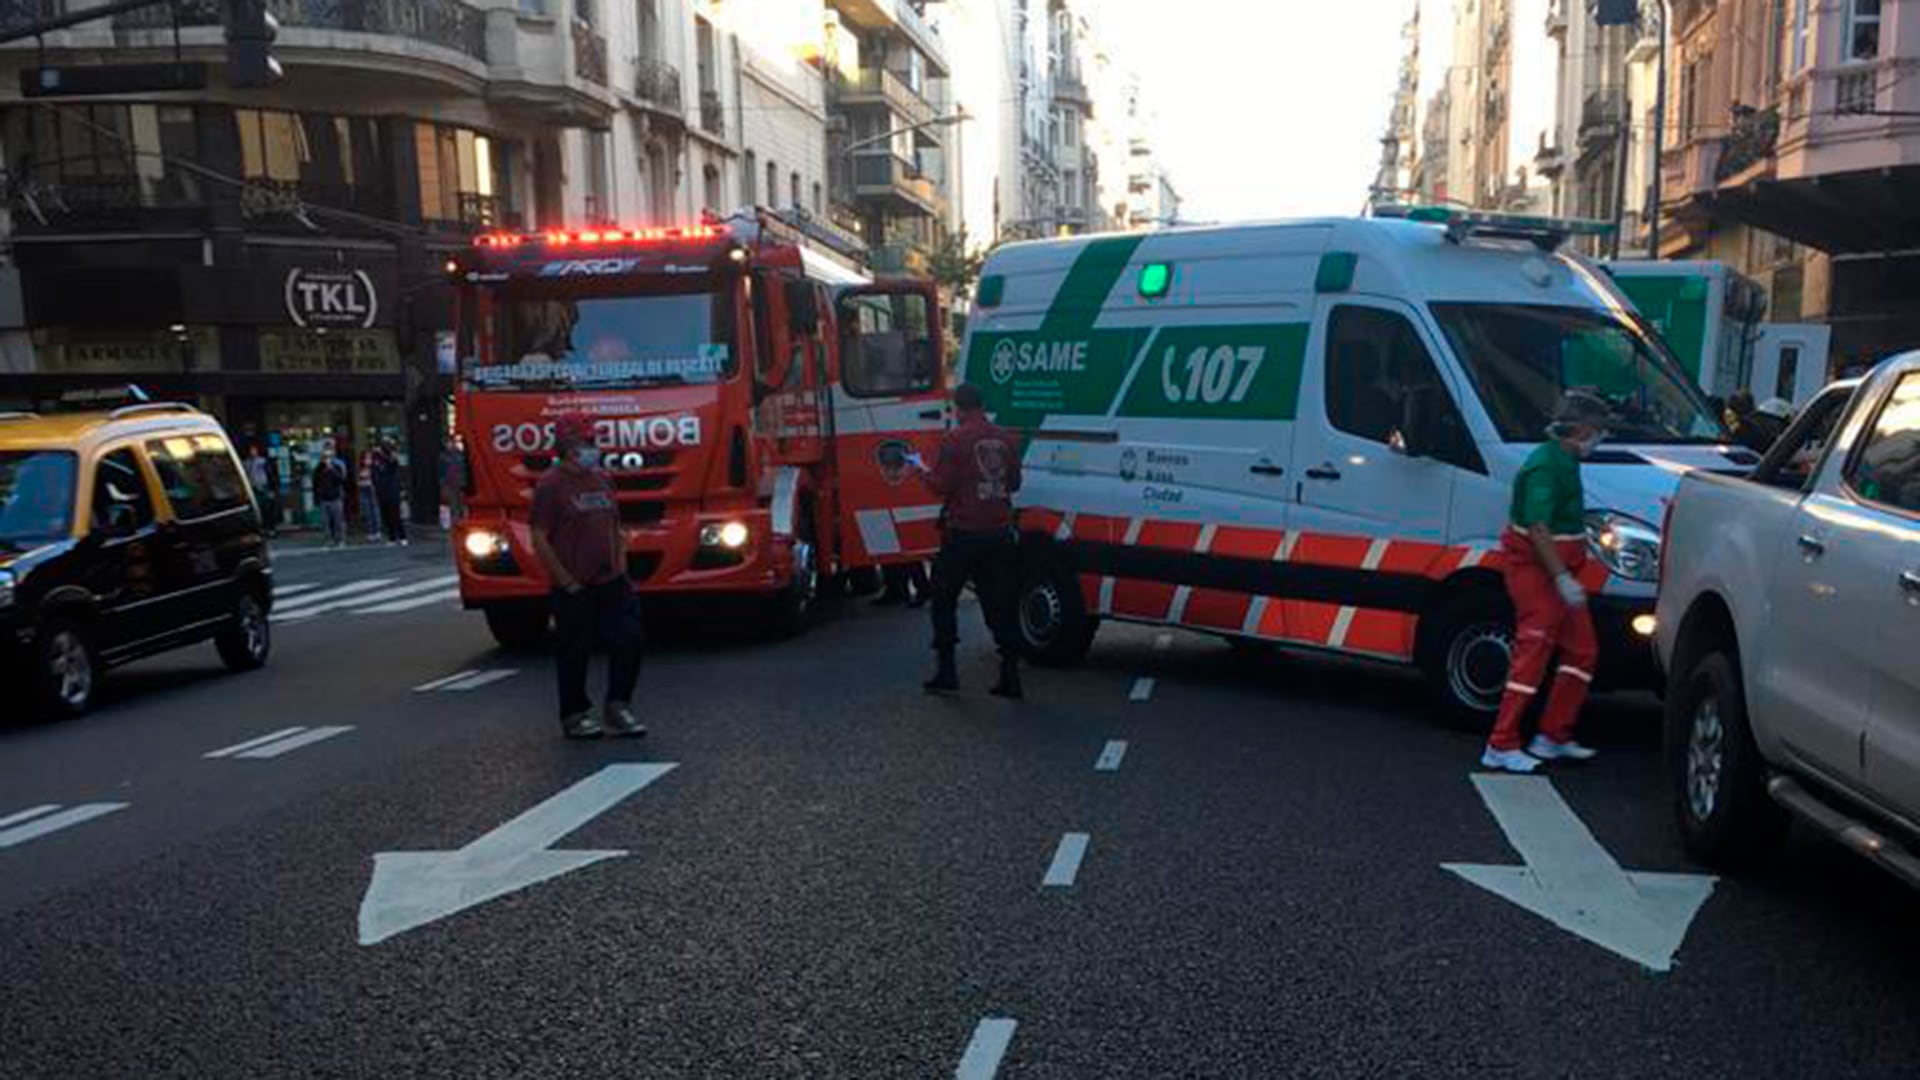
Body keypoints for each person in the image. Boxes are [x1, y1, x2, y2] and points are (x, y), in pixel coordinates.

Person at [1481, 390, 1616, 774]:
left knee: (1582, 651)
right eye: (1598, 430)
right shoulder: (1545, 466)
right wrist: (1559, 577)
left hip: (1558, 574)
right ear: (1581, 429)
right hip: (1537, 574)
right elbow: (1539, 529)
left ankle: (1553, 736)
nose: (1600, 437)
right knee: (1533, 653)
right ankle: (1501, 743)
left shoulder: (1566, 460)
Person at [530, 414, 645, 740]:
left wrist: (621, 565)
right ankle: (574, 714)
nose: (592, 449)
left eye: (593, 442)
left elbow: (614, 525)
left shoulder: (603, 479)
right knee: (574, 649)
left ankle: (618, 705)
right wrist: (565, 580)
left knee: (629, 638)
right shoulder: (551, 485)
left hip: (610, 579)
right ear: (567, 447)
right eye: (586, 443)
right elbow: (539, 535)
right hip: (573, 583)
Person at [914, 383, 1024, 699]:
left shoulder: (954, 439)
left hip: (964, 533)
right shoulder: (1005, 438)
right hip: (999, 531)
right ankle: (1011, 674)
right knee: (999, 603)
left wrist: (920, 471)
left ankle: (947, 670)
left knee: (943, 597)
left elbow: (942, 486)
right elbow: (1015, 483)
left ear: (958, 407)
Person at [311, 444, 348, 548]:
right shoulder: (318, 469)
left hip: (335, 497)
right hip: (323, 498)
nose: (327, 459)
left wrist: (331, 469)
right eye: (325, 457)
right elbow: (315, 483)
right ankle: (328, 540)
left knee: (338, 520)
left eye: (329, 456)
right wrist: (316, 499)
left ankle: (340, 539)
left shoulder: (337, 467)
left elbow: (341, 480)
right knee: (325, 522)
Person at [372, 438, 407, 545]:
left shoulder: (391, 459)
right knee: (386, 515)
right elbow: (374, 473)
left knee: (396, 514)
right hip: (382, 491)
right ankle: (391, 537)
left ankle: (402, 536)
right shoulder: (377, 460)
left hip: (392, 490)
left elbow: (393, 464)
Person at [244, 444, 279, 538]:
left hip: (264, 487)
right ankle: (263, 529)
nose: (253, 452)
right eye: (251, 450)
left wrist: (272, 488)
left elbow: (271, 475)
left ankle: (271, 529)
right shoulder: (246, 463)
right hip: (254, 488)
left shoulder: (263, 461)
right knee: (258, 510)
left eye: (254, 450)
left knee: (268, 509)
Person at [357, 444, 384, 542]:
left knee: (375, 510)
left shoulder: (375, 466)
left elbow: (378, 476)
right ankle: (370, 532)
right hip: (363, 489)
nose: (367, 460)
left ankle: (377, 531)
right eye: (365, 458)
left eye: (369, 457)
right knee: (367, 512)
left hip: (372, 489)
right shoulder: (361, 468)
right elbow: (359, 480)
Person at [440, 436, 469, 527]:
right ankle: (456, 522)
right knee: (453, 504)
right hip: (450, 483)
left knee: (461, 503)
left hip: (460, 483)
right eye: (447, 443)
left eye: (450, 442)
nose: (448, 445)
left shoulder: (461, 455)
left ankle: (463, 520)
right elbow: (441, 471)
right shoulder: (443, 456)